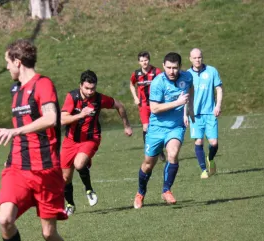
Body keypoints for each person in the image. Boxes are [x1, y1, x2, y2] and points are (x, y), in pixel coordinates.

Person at [0, 39, 69, 241]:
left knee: (49, 233)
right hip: (17, 169)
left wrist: (16, 130)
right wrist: (10, 154)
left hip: (46, 172)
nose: (6, 67)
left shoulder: (43, 84)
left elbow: (50, 118)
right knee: (5, 219)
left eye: (7, 62)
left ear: (17, 61)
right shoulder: (16, 90)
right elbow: (22, 134)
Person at [61, 70, 133, 216]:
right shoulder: (72, 97)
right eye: (87, 88)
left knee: (79, 164)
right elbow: (63, 119)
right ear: (80, 85)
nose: (89, 91)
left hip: (90, 138)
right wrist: (81, 114)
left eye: (92, 88)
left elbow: (119, 105)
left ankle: (89, 189)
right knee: (65, 178)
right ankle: (70, 204)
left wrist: (126, 125)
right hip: (70, 141)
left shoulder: (99, 99)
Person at [133, 52, 194, 209]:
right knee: (148, 164)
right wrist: (178, 102)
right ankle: (140, 193)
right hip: (156, 128)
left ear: (180, 67)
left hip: (176, 126)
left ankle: (166, 190)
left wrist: (189, 109)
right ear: (163, 66)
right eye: (168, 68)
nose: (172, 71)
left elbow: (190, 89)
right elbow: (155, 108)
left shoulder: (187, 77)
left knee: (173, 154)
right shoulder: (158, 82)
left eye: (175, 68)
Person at [188, 48, 223, 178]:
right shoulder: (187, 75)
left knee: (213, 143)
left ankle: (211, 158)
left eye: (199, 57)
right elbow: (185, 96)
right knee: (199, 141)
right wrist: (185, 114)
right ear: (190, 59)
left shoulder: (212, 71)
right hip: (195, 115)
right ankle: (203, 170)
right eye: (195, 58)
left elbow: (219, 89)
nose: (197, 60)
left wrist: (218, 105)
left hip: (210, 113)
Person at [129, 51, 165, 161]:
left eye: (146, 60)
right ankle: (149, 151)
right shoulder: (136, 74)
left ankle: (160, 150)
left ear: (149, 60)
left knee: (158, 126)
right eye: (142, 61)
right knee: (146, 127)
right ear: (139, 62)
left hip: (156, 104)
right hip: (144, 105)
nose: (144, 62)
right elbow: (131, 84)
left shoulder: (156, 71)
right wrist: (135, 97)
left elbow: (163, 83)